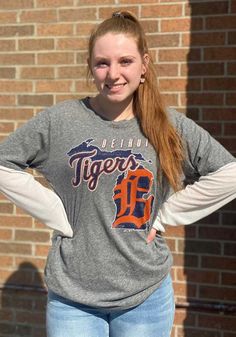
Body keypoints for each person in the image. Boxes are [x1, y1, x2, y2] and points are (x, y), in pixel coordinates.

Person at [0, 11, 235, 337]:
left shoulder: (169, 125)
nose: (113, 74)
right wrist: (55, 211)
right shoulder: (61, 121)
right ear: (90, 67)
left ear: (144, 65)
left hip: (145, 296)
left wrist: (166, 215)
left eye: (125, 61)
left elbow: (229, 174)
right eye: (102, 63)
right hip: (73, 296)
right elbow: (3, 164)